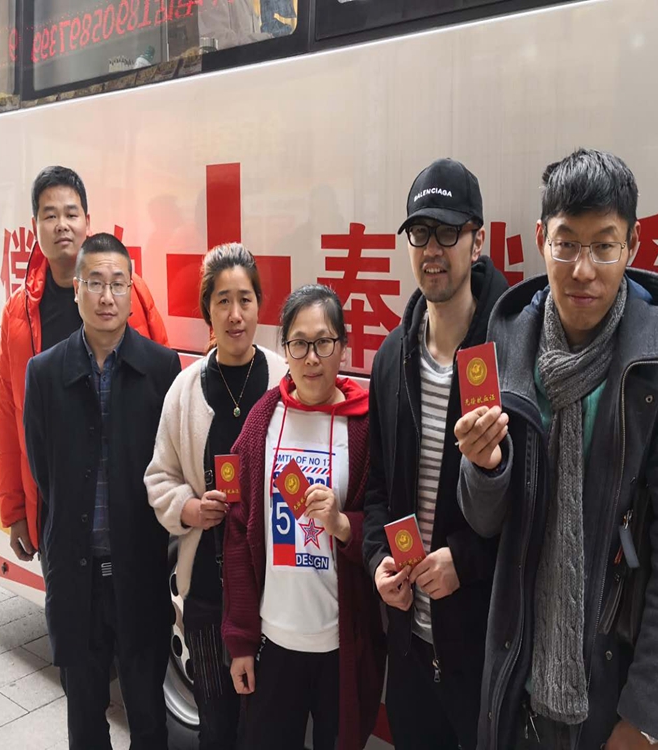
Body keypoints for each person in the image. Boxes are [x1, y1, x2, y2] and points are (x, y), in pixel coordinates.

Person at [456, 149, 658, 750]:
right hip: (514, 680)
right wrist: (484, 469)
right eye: (567, 244)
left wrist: (644, 716)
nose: (583, 270)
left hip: (608, 691)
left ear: (632, 245)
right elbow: (484, 522)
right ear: (541, 239)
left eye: (604, 246)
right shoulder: (504, 346)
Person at [362, 157, 508, 750]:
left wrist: (465, 563)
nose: (432, 250)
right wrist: (378, 560)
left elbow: (538, 506)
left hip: (484, 650)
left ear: (478, 241)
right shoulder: (391, 358)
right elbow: (377, 490)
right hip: (410, 649)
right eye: (420, 233)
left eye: (448, 232)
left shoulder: (511, 351)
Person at [23, 233, 181, 749]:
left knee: (149, 718)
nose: (107, 296)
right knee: (85, 721)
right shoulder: (45, 373)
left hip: (139, 573)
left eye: (117, 284)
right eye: (95, 283)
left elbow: (168, 468)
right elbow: (45, 472)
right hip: (76, 577)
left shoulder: (161, 368)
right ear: (76, 289)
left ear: (132, 291)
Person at [222, 285, 386, 750]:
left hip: (340, 646)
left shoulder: (364, 425)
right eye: (299, 343)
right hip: (274, 643)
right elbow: (237, 533)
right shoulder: (263, 421)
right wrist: (240, 641)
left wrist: (343, 525)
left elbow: (383, 518)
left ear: (343, 348)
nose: (312, 358)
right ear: (285, 349)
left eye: (324, 342)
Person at [144, 244, 287, 750]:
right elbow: (159, 476)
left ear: (259, 305)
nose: (235, 314)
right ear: (208, 310)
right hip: (206, 590)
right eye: (223, 301)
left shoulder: (285, 380)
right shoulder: (184, 390)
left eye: (245, 299)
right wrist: (188, 509)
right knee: (216, 723)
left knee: (268, 725)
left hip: (274, 593)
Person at [0, 166, 168, 564]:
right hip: (61, 511)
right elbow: (9, 416)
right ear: (35, 226)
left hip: (133, 504)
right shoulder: (19, 314)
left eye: (71, 214)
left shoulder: (129, 292)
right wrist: (16, 510)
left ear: (87, 222)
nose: (62, 225)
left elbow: (166, 394)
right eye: (50, 215)